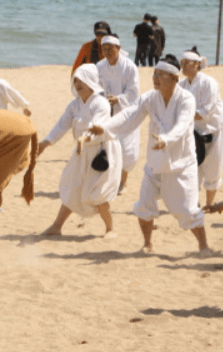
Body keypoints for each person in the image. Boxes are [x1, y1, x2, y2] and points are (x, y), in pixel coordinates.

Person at [86, 54, 212, 256]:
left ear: (174, 78)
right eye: (155, 73)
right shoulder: (150, 97)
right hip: (155, 164)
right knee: (144, 205)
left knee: (188, 211)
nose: (155, 78)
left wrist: (166, 139)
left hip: (180, 165)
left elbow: (183, 126)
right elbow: (129, 114)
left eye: (161, 74)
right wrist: (105, 126)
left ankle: (203, 246)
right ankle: (147, 244)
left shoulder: (186, 99)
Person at [39, 64, 121, 238]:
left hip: (101, 151)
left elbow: (97, 125)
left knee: (98, 193)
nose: (77, 83)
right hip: (81, 151)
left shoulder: (101, 103)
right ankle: (56, 226)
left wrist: (85, 138)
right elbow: (61, 126)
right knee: (73, 188)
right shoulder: (74, 105)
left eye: (81, 80)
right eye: (75, 80)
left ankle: (110, 229)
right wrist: (45, 144)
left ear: (91, 81)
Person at [96, 35, 140, 194]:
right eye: (104, 49)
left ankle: (123, 182)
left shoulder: (130, 67)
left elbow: (134, 92)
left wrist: (118, 99)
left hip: (126, 113)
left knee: (127, 150)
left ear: (118, 48)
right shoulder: (100, 66)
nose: (107, 52)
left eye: (110, 48)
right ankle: (109, 181)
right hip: (107, 113)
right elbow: (96, 87)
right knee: (107, 147)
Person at [179, 47, 223, 207]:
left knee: (212, 170)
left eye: (187, 63)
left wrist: (183, 116)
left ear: (197, 64)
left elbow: (206, 112)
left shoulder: (209, 83)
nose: (183, 66)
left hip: (212, 132)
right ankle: (194, 205)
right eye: (182, 63)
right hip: (192, 134)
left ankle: (209, 205)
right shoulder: (181, 85)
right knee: (192, 170)